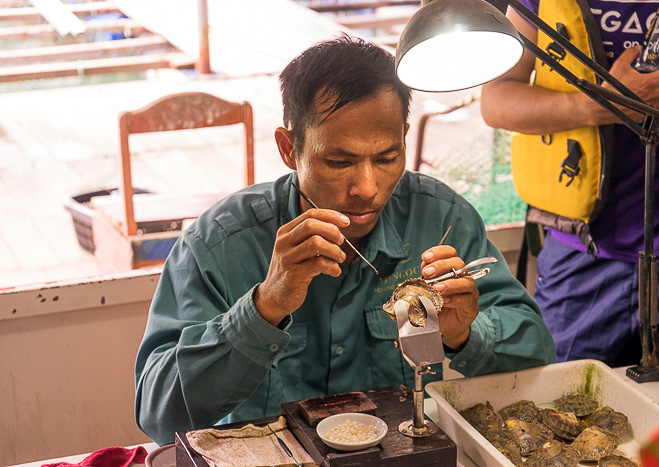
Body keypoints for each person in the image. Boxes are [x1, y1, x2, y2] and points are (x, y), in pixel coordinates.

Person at [134, 34, 556, 446]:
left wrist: (466, 334)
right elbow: (158, 414)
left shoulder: (440, 218)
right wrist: (265, 307)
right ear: (288, 148)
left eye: (388, 158)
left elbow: (538, 355)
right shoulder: (221, 243)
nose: (367, 188)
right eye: (339, 162)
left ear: (405, 136)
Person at [480, 0, 659, 401]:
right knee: (558, 409)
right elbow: (496, 101)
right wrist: (599, 104)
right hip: (584, 252)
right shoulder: (535, 4)